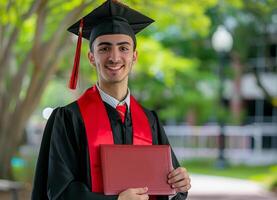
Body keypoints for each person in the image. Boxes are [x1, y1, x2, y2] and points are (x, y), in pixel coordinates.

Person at [31, 0, 191, 200]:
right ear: (91, 57)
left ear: (134, 56)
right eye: (104, 48)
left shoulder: (150, 121)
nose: (114, 57)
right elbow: (60, 191)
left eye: (123, 48)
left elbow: (169, 189)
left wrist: (178, 185)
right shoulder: (68, 119)